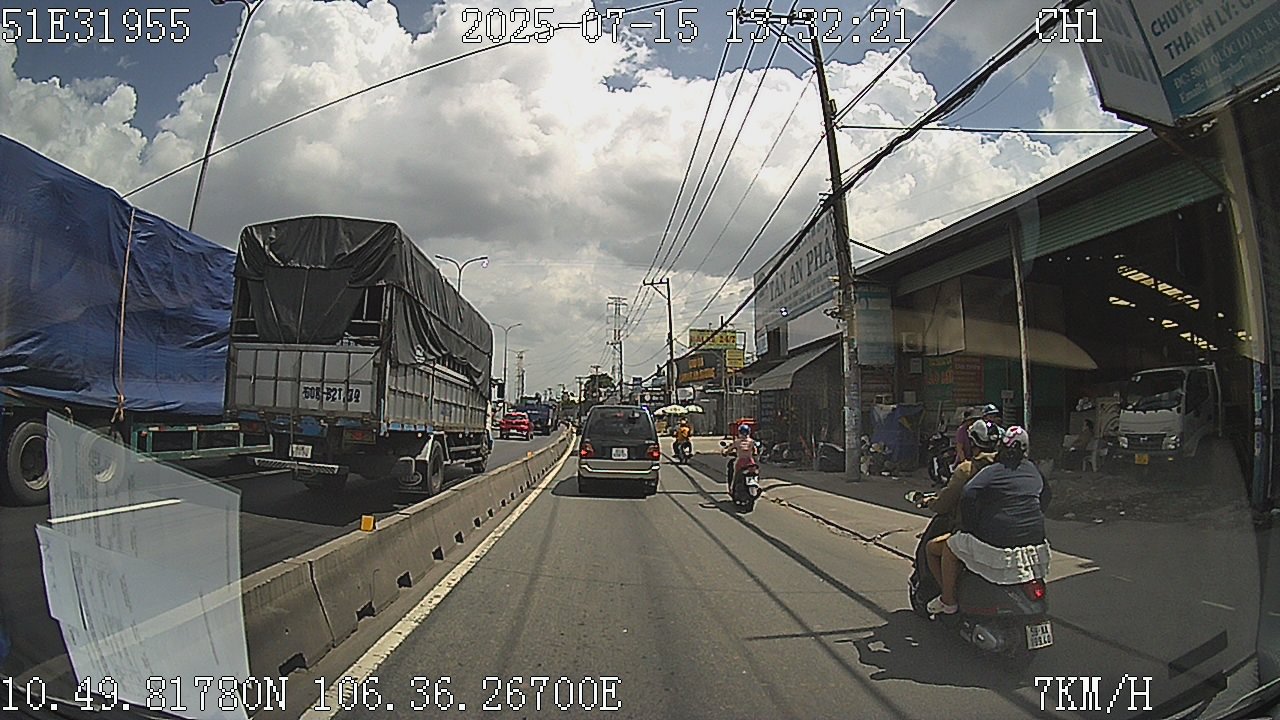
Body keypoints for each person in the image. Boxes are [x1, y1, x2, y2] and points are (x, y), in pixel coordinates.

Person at [927, 426, 1052, 616]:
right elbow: (1046, 495)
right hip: (1035, 544)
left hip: (997, 545)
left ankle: (948, 602)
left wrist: (970, 526)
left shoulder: (991, 470)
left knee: (948, 548)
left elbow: (968, 494)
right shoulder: (1033, 470)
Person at [923, 419, 1002, 585]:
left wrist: (931, 503)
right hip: (1001, 531)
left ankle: (946, 596)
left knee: (931, 548)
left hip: (972, 532)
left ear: (972, 443)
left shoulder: (967, 470)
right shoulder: (1006, 468)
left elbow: (944, 503)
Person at [723, 423, 759, 488]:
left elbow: (728, 450)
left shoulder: (737, 442)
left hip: (740, 461)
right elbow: (755, 452)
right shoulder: (751, 441)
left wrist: (725, 452)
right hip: (750, 462)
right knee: (755, 473)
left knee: (735, 476)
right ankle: (757, 485)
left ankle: (732, 488)